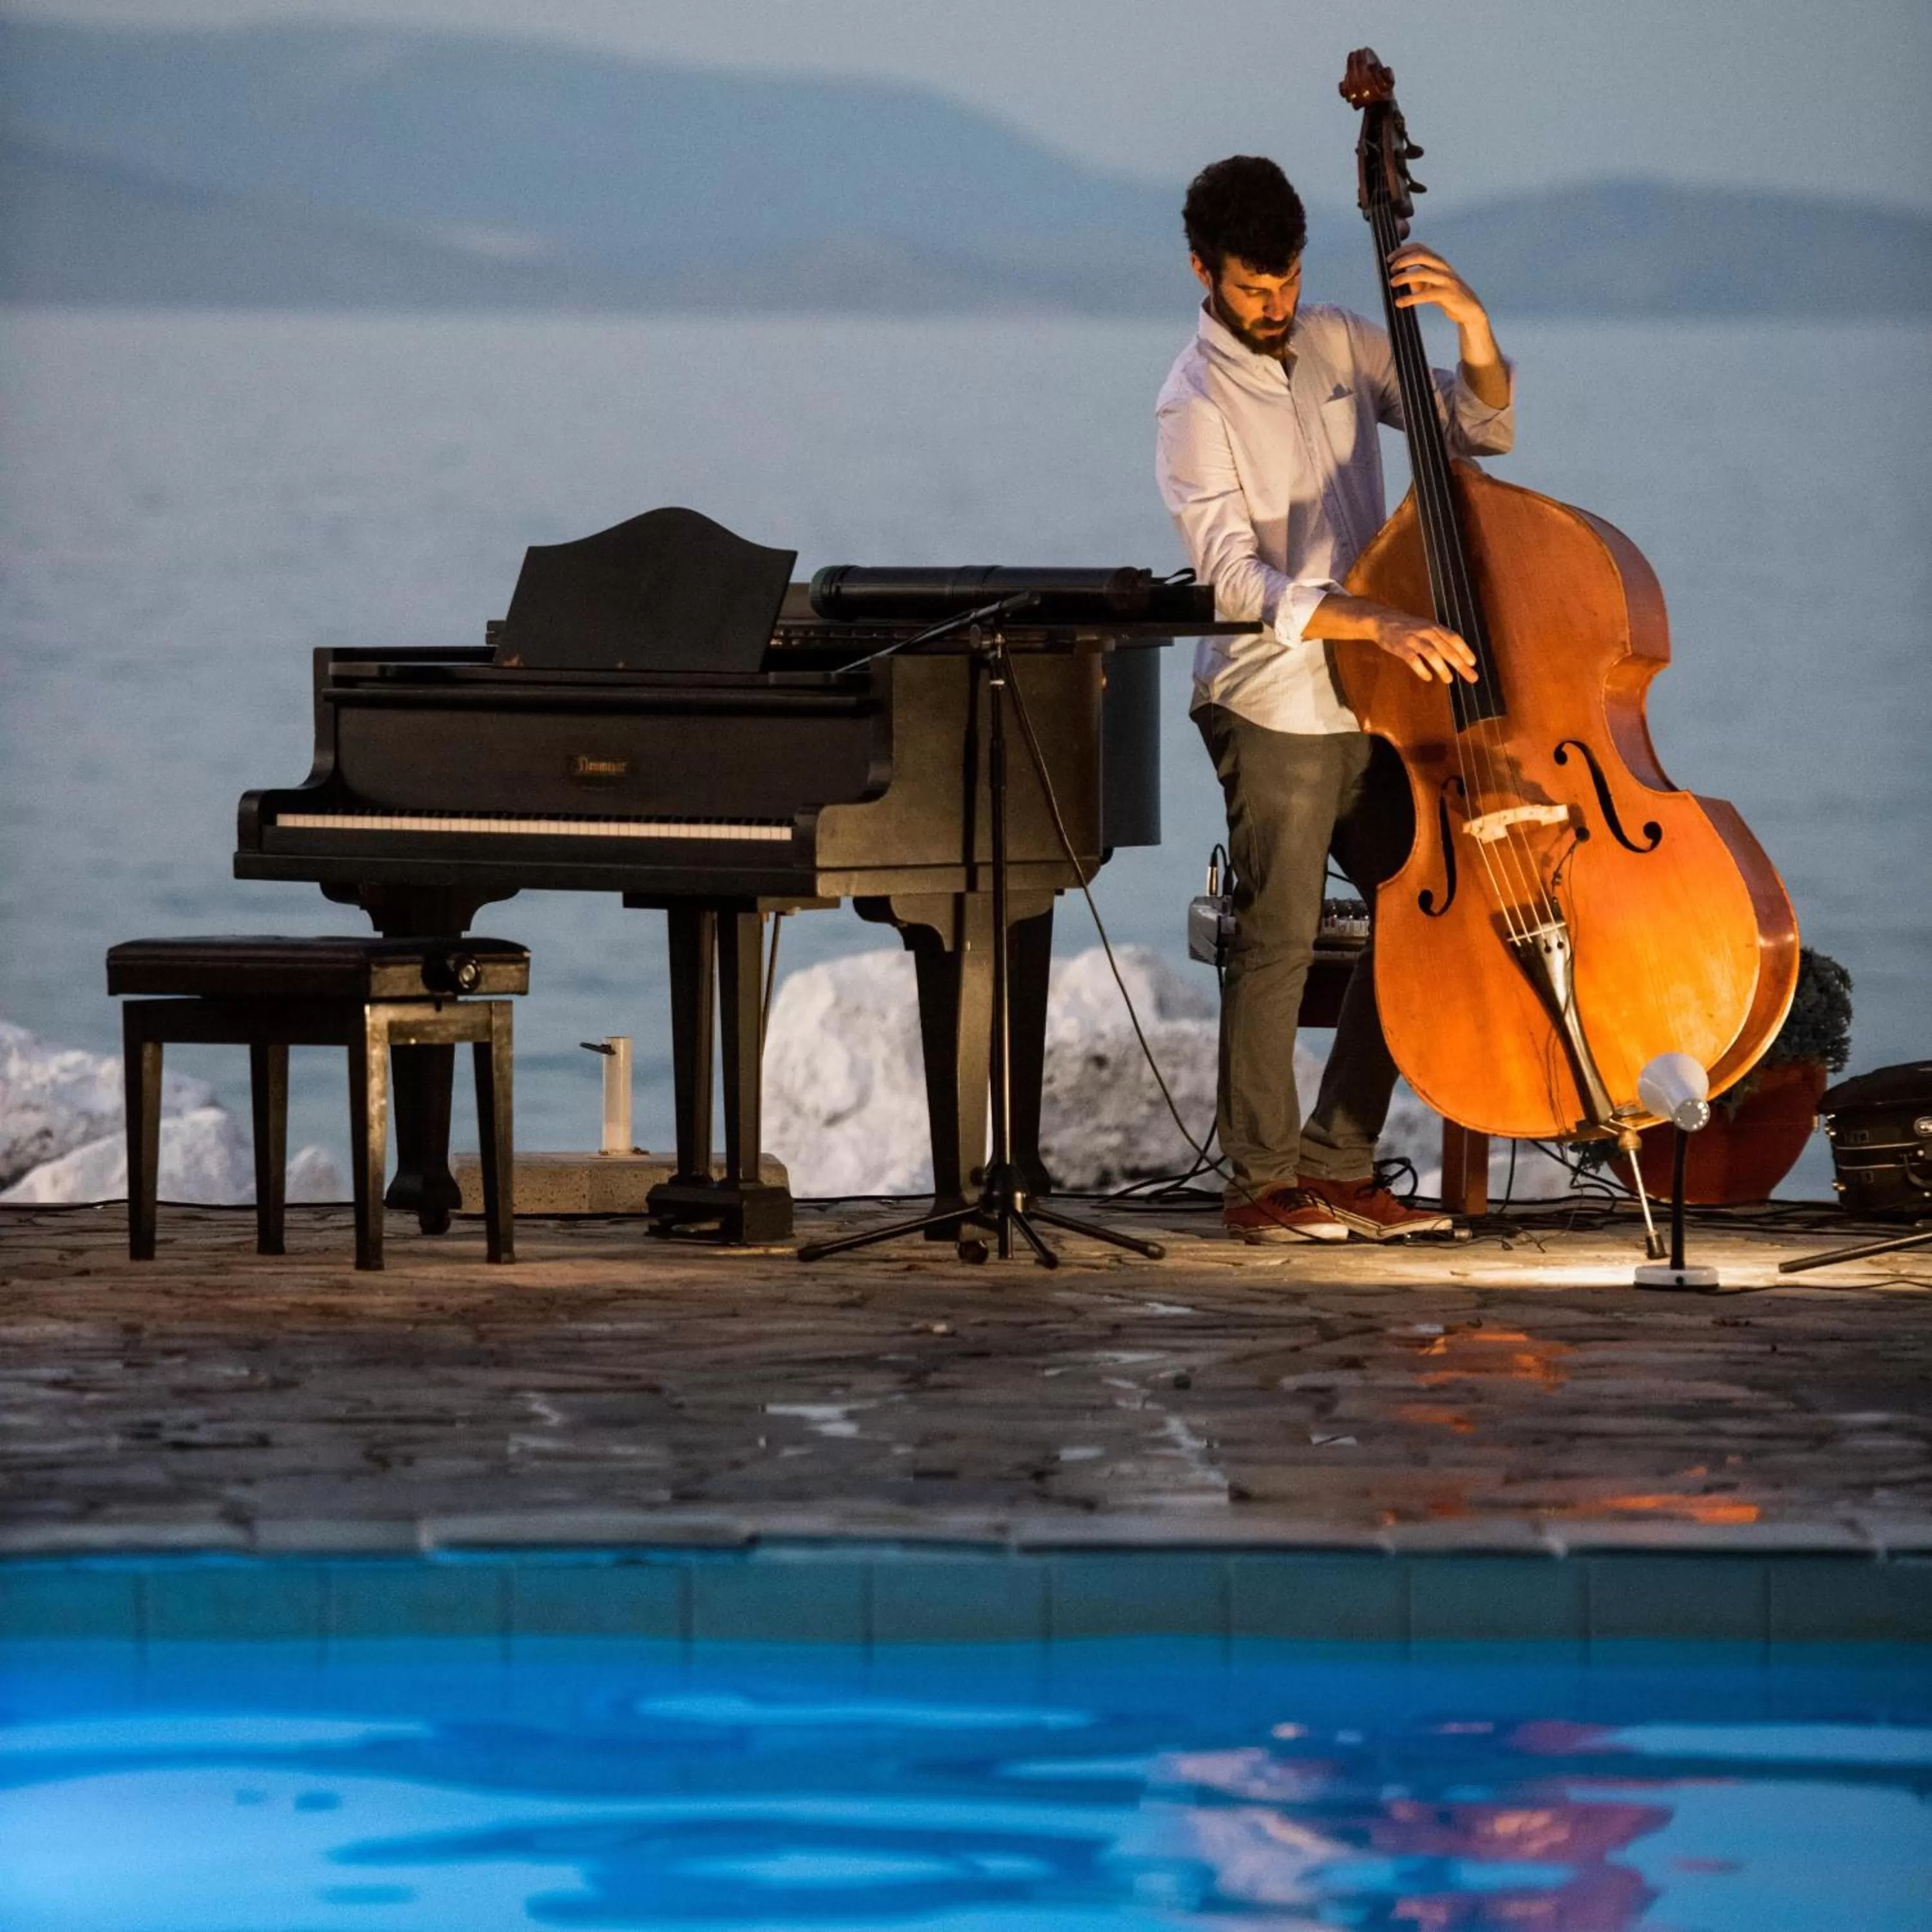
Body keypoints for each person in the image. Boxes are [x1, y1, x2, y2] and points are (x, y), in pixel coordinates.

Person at [1155, 154, 1514, 1242]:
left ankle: (1341, 1159)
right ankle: (1261, 1185)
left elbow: (1475, 429)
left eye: (1289, 281)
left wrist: (1472, 325)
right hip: (1272, 697)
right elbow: (1233, 580)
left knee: (1425, 912)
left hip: (1382, 699)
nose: (1276, 305)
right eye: (1253, 288)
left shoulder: (1347, 341)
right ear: (1204, 273)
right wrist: (1375, 619)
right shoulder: (1191, 402)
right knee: (1279, 935)